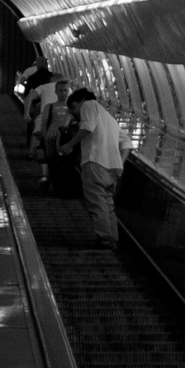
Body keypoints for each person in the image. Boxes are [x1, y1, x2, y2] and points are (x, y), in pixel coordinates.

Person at [60, 87, 128, 248]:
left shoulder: (89, 104)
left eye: (74, 108)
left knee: (97, 203)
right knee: (107, 204)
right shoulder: (110, 118)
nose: (75, 113)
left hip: (95, 162)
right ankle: (111, 239)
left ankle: (104, 240)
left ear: (81, 100)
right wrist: (120, 162)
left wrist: (69, 144)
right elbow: (127, 143)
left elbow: (88, 127)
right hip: (113, 167)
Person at [31, 78, 72, 190]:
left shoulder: (72, 107)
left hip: (66, 138)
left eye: (65, 90)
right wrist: (44, 136)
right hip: (51, 137)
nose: (63, 93)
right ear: (56, 92)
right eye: (61, 91)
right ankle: (51, 182)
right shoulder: (49, 106)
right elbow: (44, 123)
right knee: (52, 161)